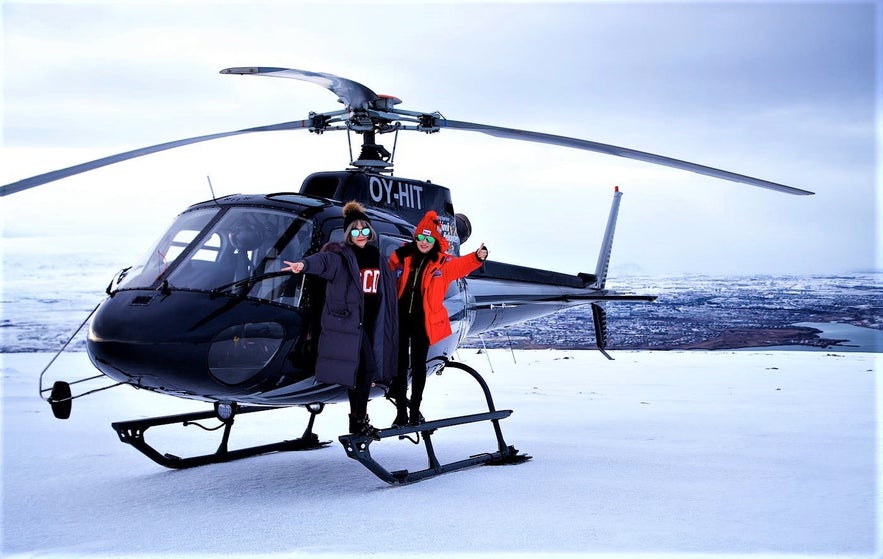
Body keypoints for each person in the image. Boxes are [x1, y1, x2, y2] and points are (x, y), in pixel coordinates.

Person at [282, 201, 398, 436]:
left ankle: (358, 420)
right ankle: (358, 420)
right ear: (348, 234)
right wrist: (303, 265)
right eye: (355, 231)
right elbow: (323, 263)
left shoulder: (377, 257)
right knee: (364, 371)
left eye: (365, 230)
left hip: (370, 323)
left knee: (362, 372)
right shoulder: (341, 257)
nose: (361, 235)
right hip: (350, 326)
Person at [388, 210, 488, 427]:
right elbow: (386, 270)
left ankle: (414, 411)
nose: (424, 242)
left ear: (435, 240)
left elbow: (460, 267)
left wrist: (476, 258)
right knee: (399, 364)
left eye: (429, 238)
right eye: (421, 237)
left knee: (418, 365)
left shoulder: (441, 264)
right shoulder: (403, 257)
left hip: (424, 322)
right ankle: (401, 413)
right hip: (402, 318)